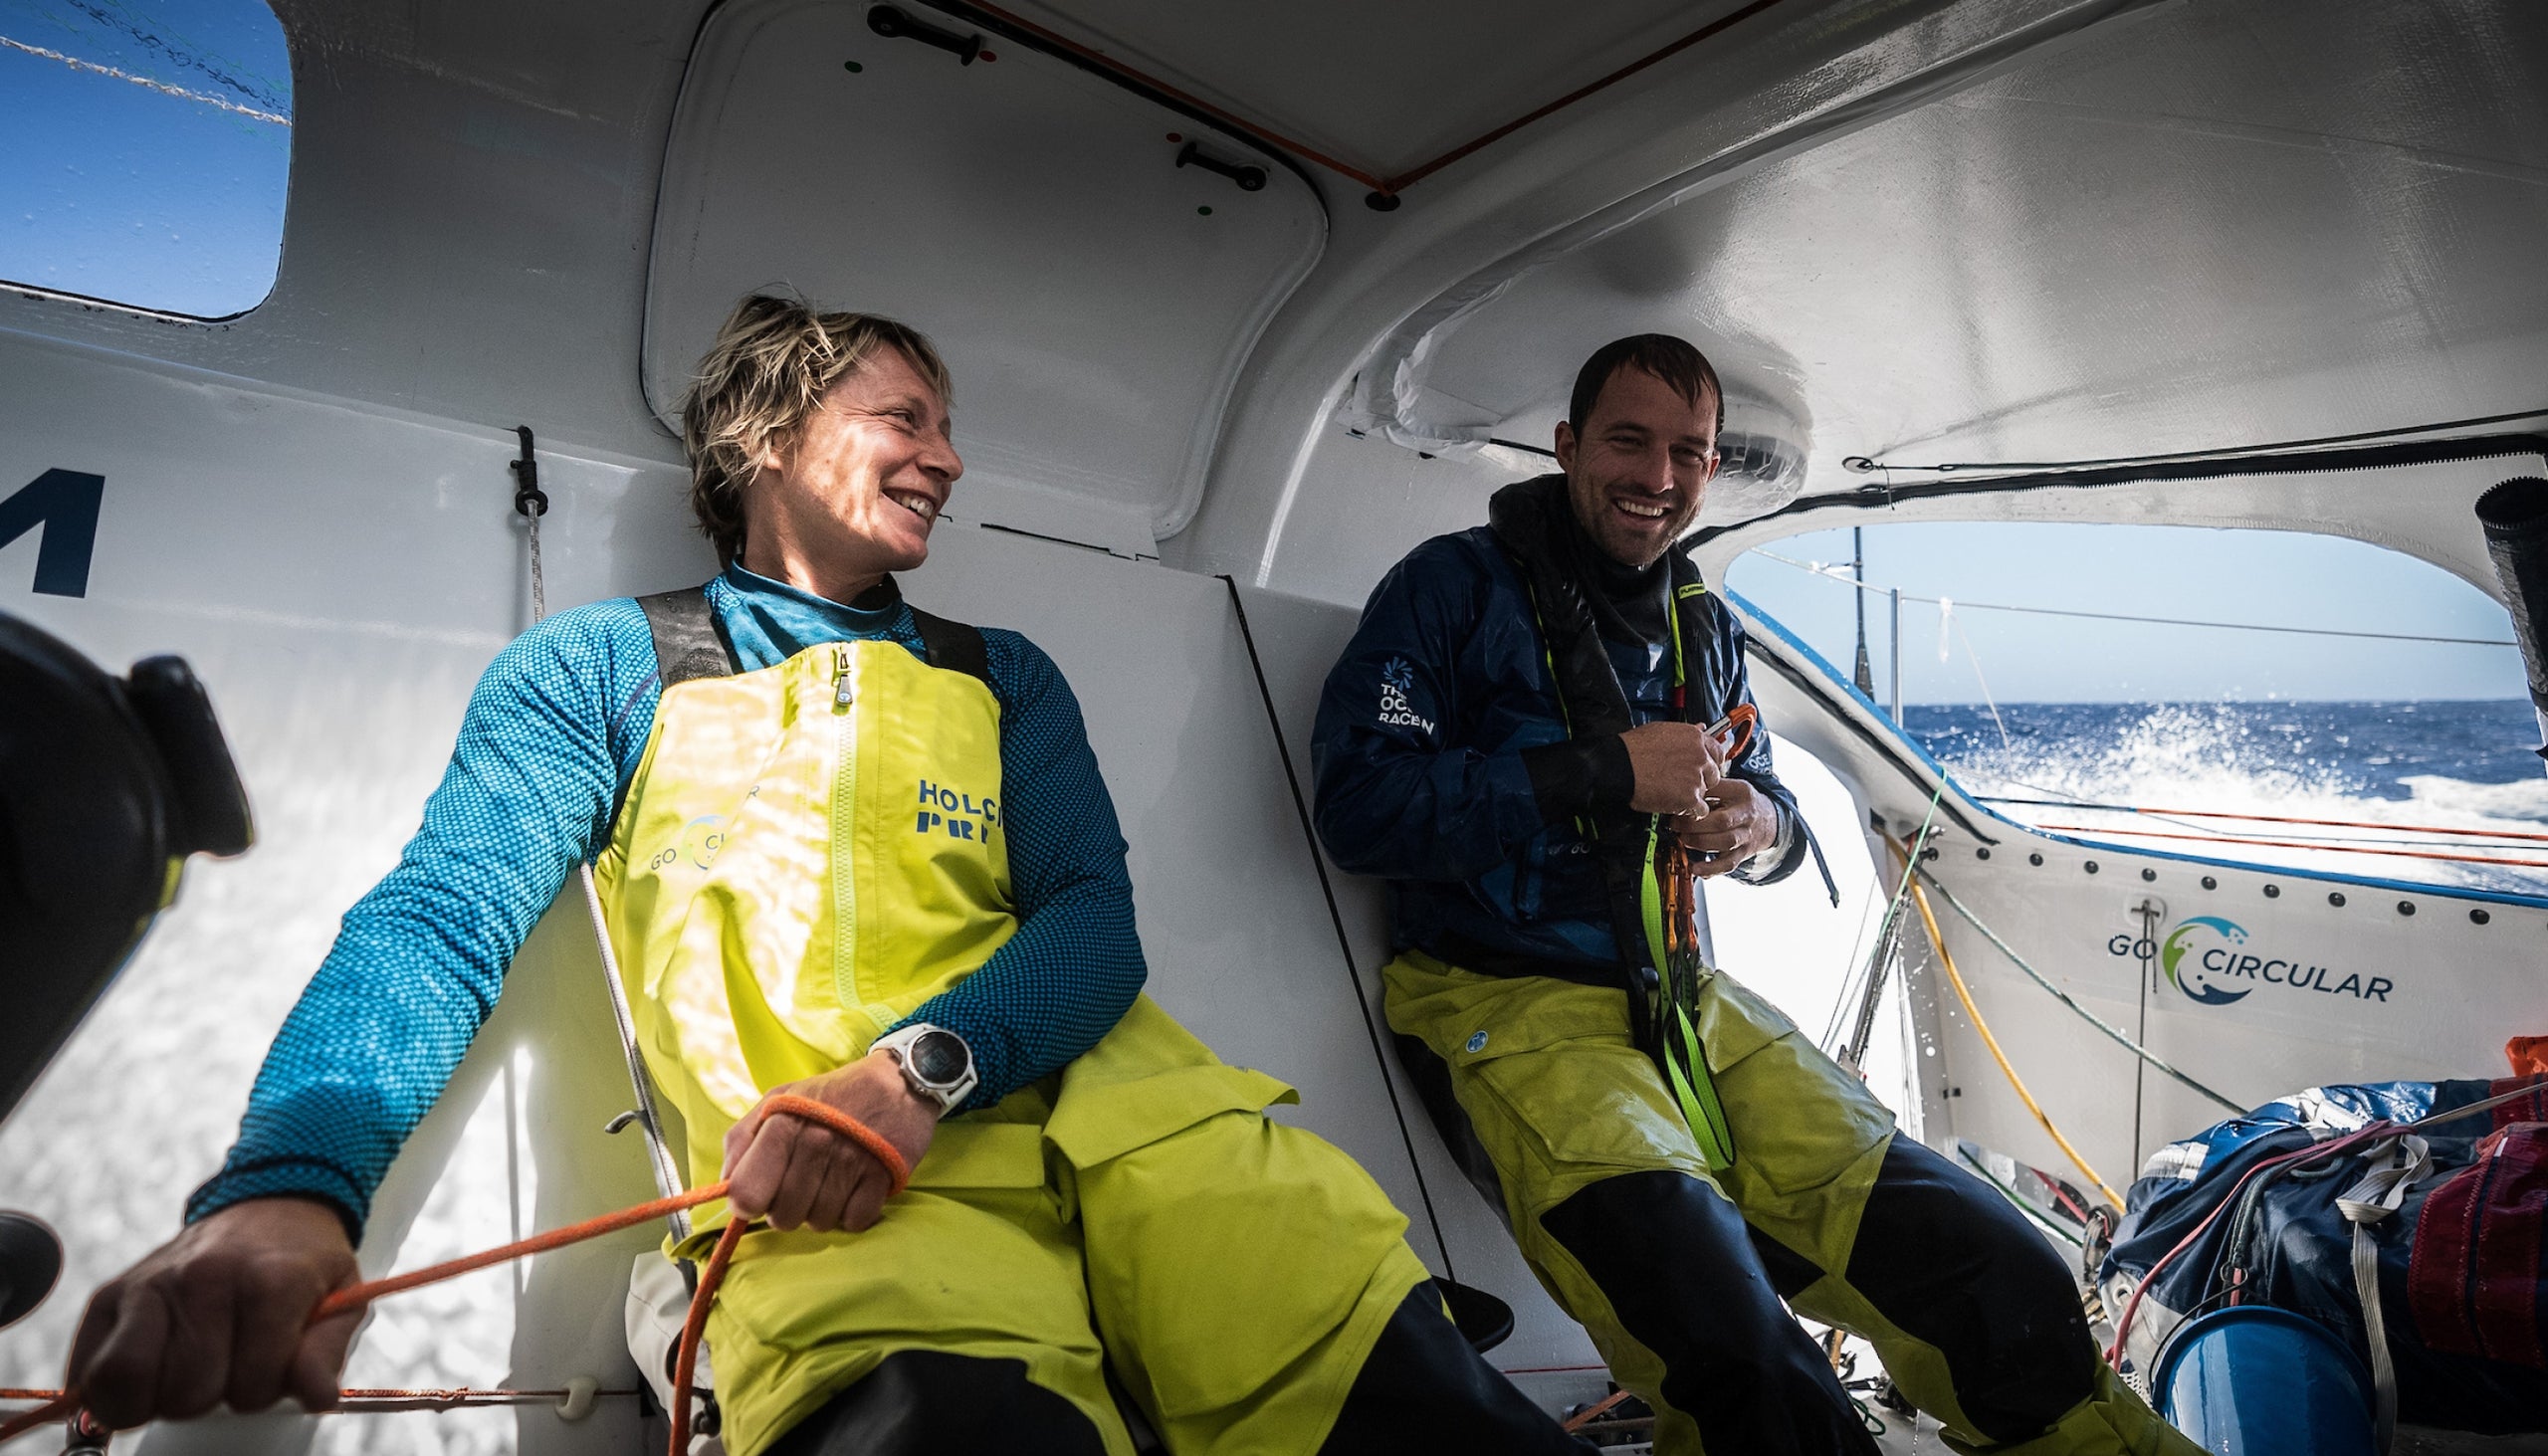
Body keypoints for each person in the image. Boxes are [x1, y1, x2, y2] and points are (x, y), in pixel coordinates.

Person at [65, 296, 1594, 1456]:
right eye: (903, 416)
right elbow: (442, 918)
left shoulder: (1002, 673)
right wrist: (286, 1189)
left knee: (1417, 1403)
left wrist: (920, 1066)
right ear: (762, 435)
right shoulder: (603, 664)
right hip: (842, 1206)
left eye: (949, 427)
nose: (947, 456)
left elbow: (1092, 925)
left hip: (1150, 1137)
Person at [1310, 334, 2200, 1455]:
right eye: (1628, 441)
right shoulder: (1447, 588)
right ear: (1568, 446)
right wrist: (1604, 770)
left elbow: (1771, 809)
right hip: (1510, 1010)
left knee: (2002, 1266)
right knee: (1745, 1357)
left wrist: (1757, 825)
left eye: (1688, 452)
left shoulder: (1705, 622)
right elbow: (1361, 806)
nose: (1658, 476)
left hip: (1692, 1008)